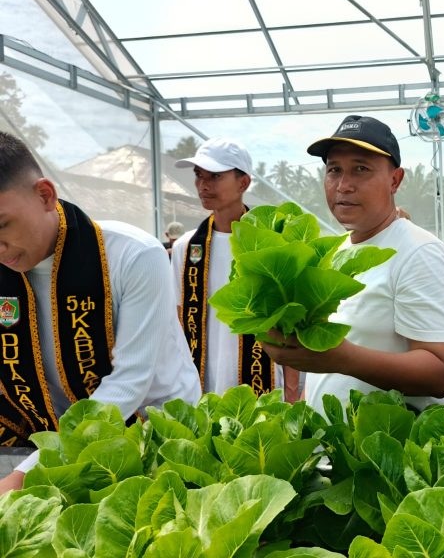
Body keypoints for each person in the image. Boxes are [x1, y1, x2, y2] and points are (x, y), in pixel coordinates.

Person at [0, 132, 201, 493]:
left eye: (2, 225)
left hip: (156, 443)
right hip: (62, 446)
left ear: (45, 195)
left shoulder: (134, 256)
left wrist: (22, 476)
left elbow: (129, 385)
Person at [265, 115, 444, 414]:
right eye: (334, 170)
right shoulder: (335, 251)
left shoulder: (420, 252)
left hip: (387, 455)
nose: (343, 185)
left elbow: (440, 374)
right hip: (331, 451)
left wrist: (341, 358)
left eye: (361, 169)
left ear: (395, 180)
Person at [172, 138, 299, 402]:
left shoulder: (274, 242)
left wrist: (292, 390)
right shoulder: (186, 248)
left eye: (215, 176)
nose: (203, 185)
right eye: (198, 175)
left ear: (243, 183)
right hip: (200, 387)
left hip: (265, 385)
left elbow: (292, 324)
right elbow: (177, 320)